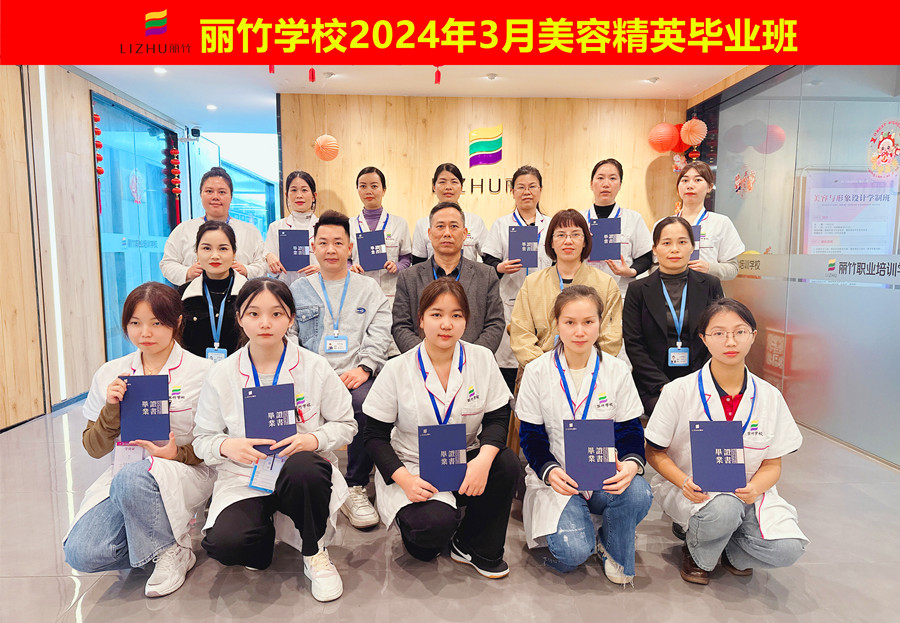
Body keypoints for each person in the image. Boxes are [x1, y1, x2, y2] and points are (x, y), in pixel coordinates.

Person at [192, 278, 357, 602]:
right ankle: (260, 537)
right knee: (225, 544)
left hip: (300, 473)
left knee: (306, 467)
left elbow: (346, 424)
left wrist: (313, 439)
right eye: (254, 314)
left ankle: (314, 552)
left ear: (291, 318)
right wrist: (227, 446)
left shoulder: (315, 367)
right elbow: (202, 439)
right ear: (239, 318)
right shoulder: (222, 373)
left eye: (276, 313)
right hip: (246, 476)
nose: (265, 323)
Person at [63, 282, 213, 598]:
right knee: (83, 553)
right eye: (135, 323)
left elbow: (215, 444)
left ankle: (171, 551)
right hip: (124, 475)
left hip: (185, 471)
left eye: (157, 323)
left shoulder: (203, 372)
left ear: (177, 322)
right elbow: (93, 448)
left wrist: (177, 453)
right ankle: (157, 539)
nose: (145, 332)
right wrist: (111, 409)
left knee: (136, 477)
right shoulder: (111, 372)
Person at [645, 298, 807, 585]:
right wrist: (684, 481)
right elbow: (654, 452)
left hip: (748, 493)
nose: (730, 341)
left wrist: (755, 487)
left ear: (753, 336)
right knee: (724, 509)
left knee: (788, 548)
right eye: (719, 333)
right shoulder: (679, 391)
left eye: (740, 332)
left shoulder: (769, 396)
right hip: (695, 491)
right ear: (704, 338)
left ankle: (732, 551)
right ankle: (698, 553)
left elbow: (772, 463)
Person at [363, 278, 518, 578]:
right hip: (414, 466)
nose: (446, 324)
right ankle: (437, 523)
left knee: (505, 463)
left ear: (466, 321)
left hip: (466, 459)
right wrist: (405, 480)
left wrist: (482, 463)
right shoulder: (397, 368)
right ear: (421, 320)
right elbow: (374, 437)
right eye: (436, 314)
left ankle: (473, 544)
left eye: (456, 315)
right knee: (429, 536)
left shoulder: (482, 359)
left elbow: (498, 418)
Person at [517, 286, 652, 584]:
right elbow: (531, 436)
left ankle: (610, 544)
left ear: (600, 323)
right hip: (560, 480)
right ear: (557, 323)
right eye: (570, 322)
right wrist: (550, 471)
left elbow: (629, 429)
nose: (580, 331)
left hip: (604, 476)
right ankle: (581, 528)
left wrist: (631, 465)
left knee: (639, 492)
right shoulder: (537, 371)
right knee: (572, 554)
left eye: (589, 322)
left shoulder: (616, 370)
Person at [291, 210, 392, 530]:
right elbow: (289, 335)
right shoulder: (298, 290)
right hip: (309, 375)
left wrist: (365, 367)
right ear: (313, 247)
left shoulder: (368, 288)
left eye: (338, 242)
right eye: (323, 242)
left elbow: (380, 331)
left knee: (368, 404)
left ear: (350, 248)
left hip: (354, 373)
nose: (331, 249)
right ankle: (308, 480)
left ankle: (355, 485)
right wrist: (307, 373)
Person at [623, 216, 724, 415]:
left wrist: (698, 382)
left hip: (701, 379)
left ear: (692, 247)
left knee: (703, 412)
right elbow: (634, 344)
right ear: (654, 249)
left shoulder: (710, 285)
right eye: (666, 243)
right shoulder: (638, 290)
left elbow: (719, 335)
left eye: (682, 242)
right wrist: (662, 386)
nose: (675, 249)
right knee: (667, 413)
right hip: (653, 384)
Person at [509, 209, 623, 369]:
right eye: (561, 235)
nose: (568, 241)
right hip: (540, 371)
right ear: (551, 242)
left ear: (585, 241)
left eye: (575, 234)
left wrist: (584, 367)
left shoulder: (606, 284)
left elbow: (611, 338)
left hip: (592, 372)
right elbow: (520, 333)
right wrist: (546, 368)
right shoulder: (532, 283)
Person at [392, 201, 505, 354]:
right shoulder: (409, 277)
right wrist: (427, 356)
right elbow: (401, 326)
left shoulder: (486, 275)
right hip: (422, 364)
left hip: (473, 364)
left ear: (464, 233)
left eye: (453, 226)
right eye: (440, 226)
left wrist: (470, 358)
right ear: (429, 233)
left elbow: (495, 324)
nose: (447, 233)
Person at [482, 165, 553, 392]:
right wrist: (500, 267)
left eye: (532, 186)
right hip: (510, 303)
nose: (527, 192)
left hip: (546, 304)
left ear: (540, 190)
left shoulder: (551, 225)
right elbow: (488, 263)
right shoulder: (502, 225)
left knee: (544, 365)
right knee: (509, 363)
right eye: (521, 187)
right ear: (512, 191)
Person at [160, 166, 266, 286]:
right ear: (201, 195)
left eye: (222, 192)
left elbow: (263, 265)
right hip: (194, 294)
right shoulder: (183, 229)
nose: (215, 197)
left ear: (231, 197)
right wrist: (187, 272)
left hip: (240, 294)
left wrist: (247, 270)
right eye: (209, 191)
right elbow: (167, 263)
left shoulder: (250, 231)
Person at [349, 166, 412, 356]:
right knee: (363, 347)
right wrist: (351, 267)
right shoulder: (349, 225)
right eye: (363, 186)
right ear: (357, 189)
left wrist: (396, 266)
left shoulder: (399, 223)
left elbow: (407, 258)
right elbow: (345, 260)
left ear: (384, 190)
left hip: (390, 294)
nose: (368, 191)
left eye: (374, 186)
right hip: (360, 294)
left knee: (391, 348)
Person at [580, 158, 654, 298]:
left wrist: (631, 271)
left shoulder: (633, 218)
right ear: (591, 184)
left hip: (621, 293)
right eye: (600, 178)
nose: (606, 184)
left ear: (620, 185)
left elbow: (645, 256)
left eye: (613, 178)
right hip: (584, 292)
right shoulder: (579, 220)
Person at [178, 220, 247, 360]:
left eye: (223, 249)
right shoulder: (183, 294)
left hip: (240, 370)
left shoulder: (249, 294)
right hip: (195, 371)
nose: (215, 256)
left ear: (234, 253)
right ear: (197, 253)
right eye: (207, 248)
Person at [670, 161, 745, 281]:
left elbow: (733, 269)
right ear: (678, 188)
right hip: (671, 289)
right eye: (685, 180)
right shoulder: (664, 225)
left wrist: (710, 268)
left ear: (709, 187)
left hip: (707, 290)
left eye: (698, 180)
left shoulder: (721, 223)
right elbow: (654, 265)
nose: (690, 185)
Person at [411, 163, 487, 263]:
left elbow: (488, 258)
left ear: (461, 187)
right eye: (442, 182)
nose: (448, 187)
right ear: (434, 187)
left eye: (454, 182)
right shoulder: (422, 224)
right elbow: (418, 265)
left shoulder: (476, 221)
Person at [264, 169, 321, 287]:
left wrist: (323, 269)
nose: (299, 195)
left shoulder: (325, 227)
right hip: (286, 289)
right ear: (286, 195)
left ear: (314, 196)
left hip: (319, 288)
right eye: (294, 190)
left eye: (304, 190)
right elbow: (270, 272)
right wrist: (270, 260)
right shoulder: (276, 227)